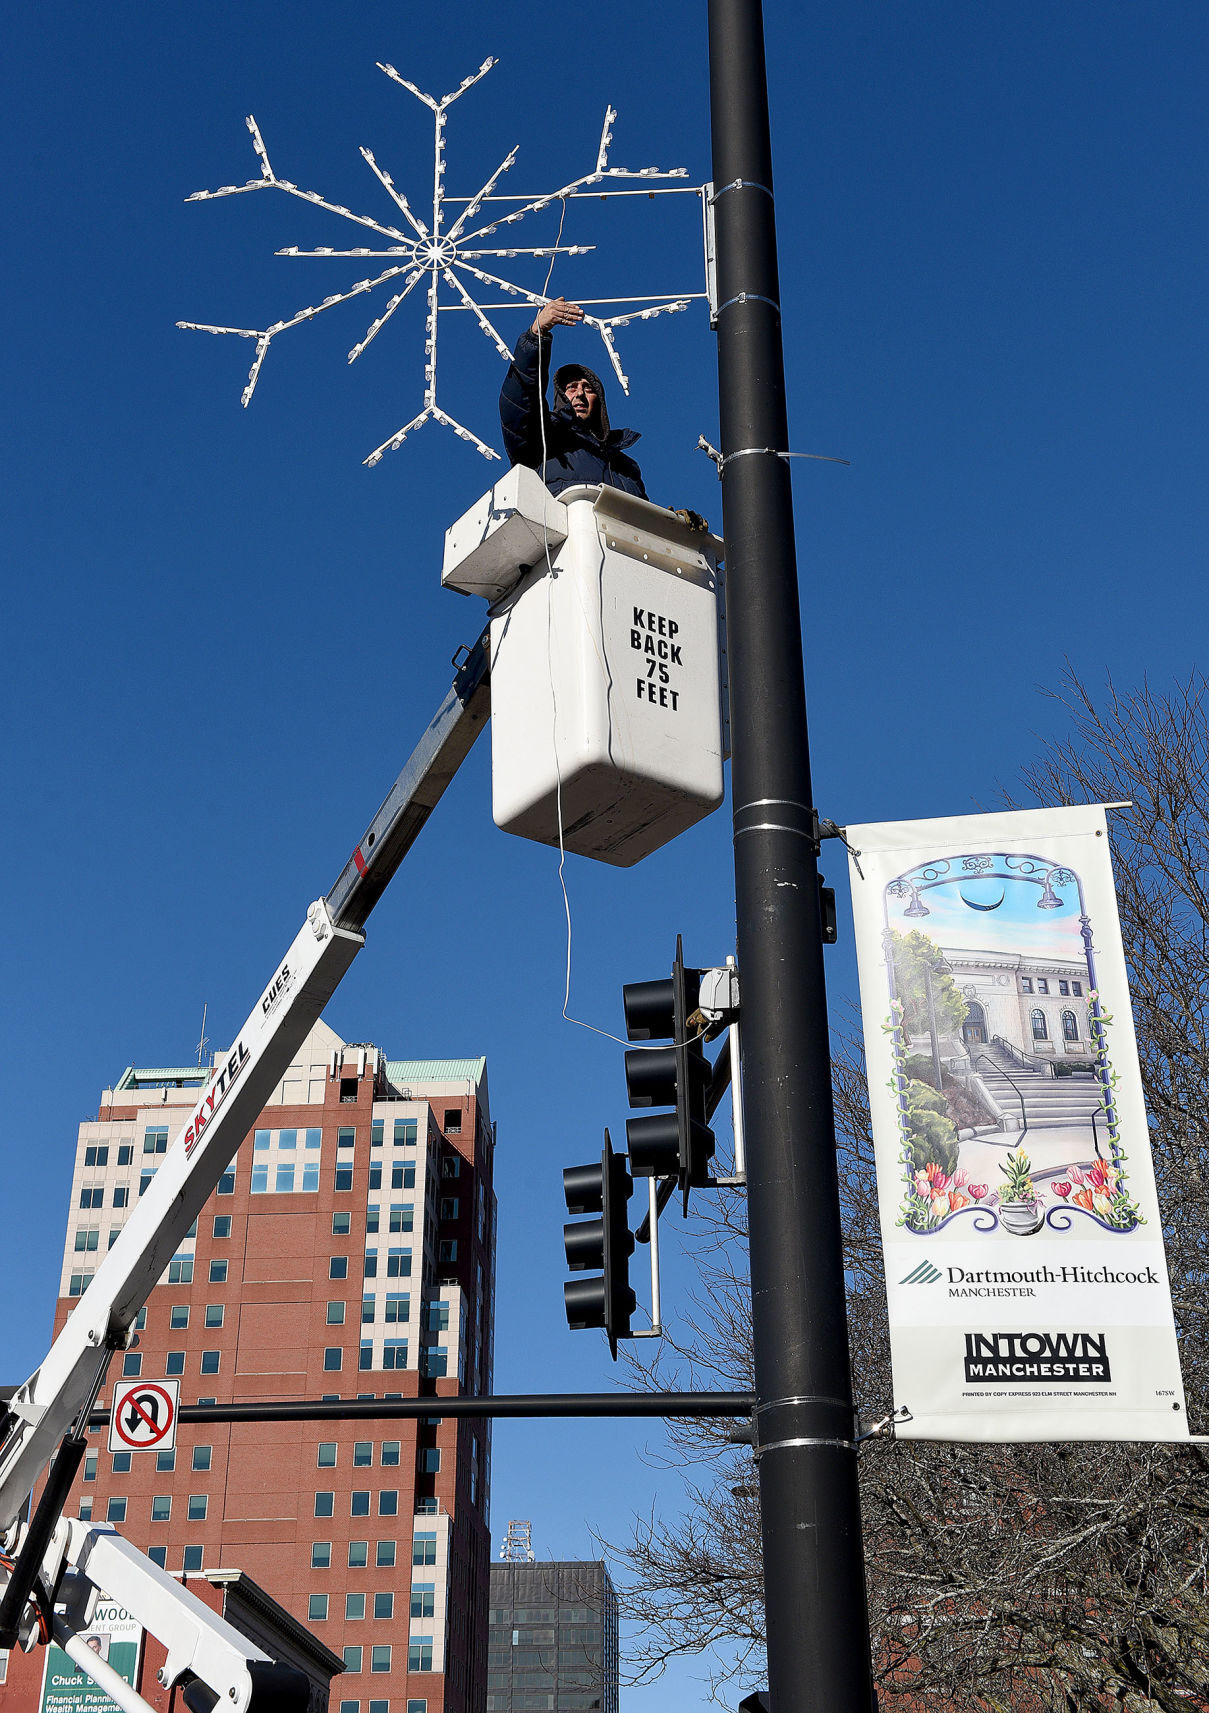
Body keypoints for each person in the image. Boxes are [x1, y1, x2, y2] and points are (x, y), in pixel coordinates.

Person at [498, 297, 646, 497]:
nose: (579, 395)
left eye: (588, 388)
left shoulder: (625, 466)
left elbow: (643, 518)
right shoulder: (543, 435)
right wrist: (536, 335)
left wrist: (674, 524)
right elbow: (519, 402)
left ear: (599, 400)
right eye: (571, 387)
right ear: (560, 395)